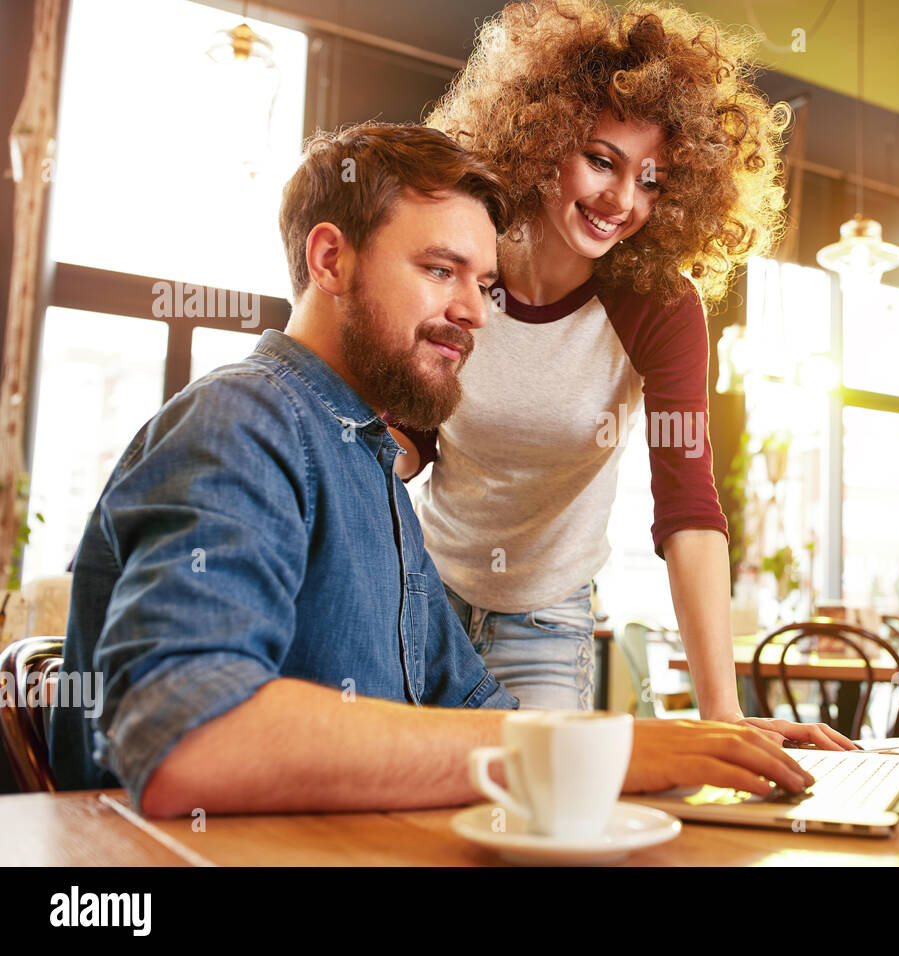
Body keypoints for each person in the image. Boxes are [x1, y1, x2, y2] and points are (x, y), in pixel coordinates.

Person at [48, 121, 816, 816]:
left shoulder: (371, 468)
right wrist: (617, 750)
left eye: (482, 285)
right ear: (330, 260)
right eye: (440, 270)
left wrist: (698, 752)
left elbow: (481, 717)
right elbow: (190, 740)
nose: (479, 313)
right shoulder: (242, 423)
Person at [397, 0, 854, 749]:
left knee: (538, 827)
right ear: (540, 138)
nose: (622, 202)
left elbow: (688, 505)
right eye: (602, 161)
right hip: (423, 593)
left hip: (546, 618)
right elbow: (415, 435)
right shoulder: (472, 263)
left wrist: (723, 720)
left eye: (653, 180)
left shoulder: (659, 309)